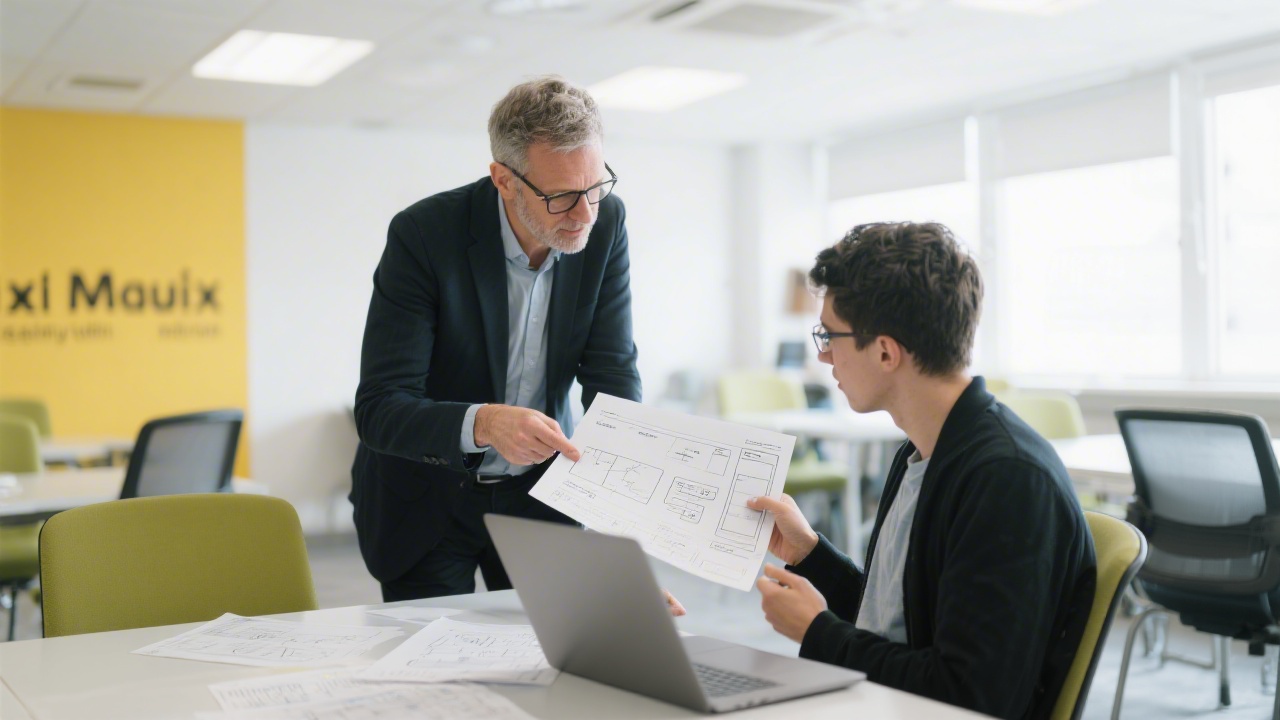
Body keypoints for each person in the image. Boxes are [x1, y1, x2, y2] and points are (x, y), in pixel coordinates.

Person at [748, 222, 1096, 720]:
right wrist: (811, 554)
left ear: (885, 352)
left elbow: (969, 696)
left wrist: (817, 632)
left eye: (829, 336)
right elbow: (898, 624)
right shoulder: (922, 450)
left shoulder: (1007, 481)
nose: (823, 356)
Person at [350, 76, 648, 604]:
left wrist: (626, 490)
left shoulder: (605, 223)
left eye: (595, 187)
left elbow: (612, 371)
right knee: (439, 652)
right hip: (426, 498)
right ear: (504, 180)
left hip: (540, 493)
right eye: (562, 196)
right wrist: (484, 423)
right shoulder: (424, 235)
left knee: (557, 644)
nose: (585, 214)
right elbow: (380, 406)